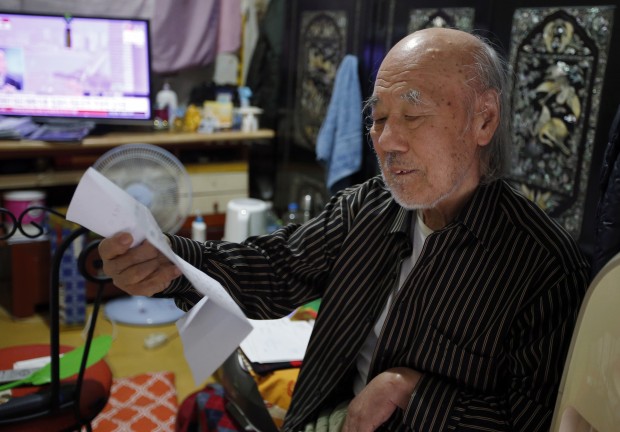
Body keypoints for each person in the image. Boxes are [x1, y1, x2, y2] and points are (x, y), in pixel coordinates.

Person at [99, 28, 590, 431]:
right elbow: (274, 267)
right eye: (377, 118)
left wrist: (409, 391)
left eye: (413, 116)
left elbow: (531, 420)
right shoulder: (367, 207)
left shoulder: (545, 265)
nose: (387, 141)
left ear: (483, 120)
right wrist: (173, 263)